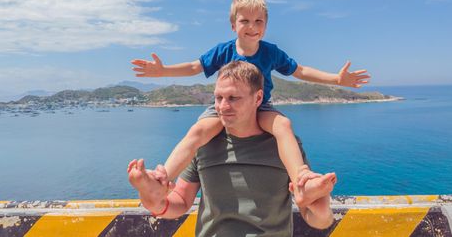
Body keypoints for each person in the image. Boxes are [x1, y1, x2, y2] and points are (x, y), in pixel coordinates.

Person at [131, 0, 370, 189]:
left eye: (259, 21)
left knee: (283, 126)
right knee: (198, 130)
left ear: (265, 26)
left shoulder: (271, 52)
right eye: (245, 21)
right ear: (233, 25)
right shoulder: (223, 50)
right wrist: (163, 71)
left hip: (260, 107)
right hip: (227, 107)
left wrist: (337, 79)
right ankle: (163, 176)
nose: (252, 27)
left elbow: (301, 71)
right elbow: (195, 66)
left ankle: (301, 178)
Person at [128, 61, 337, 236]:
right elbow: (181, 201)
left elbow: (318, 220)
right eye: (218, 98)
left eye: (233, 98)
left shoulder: (285, 145)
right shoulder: (204, 143)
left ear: (258, 98)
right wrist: (157, 203)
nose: (222, 106)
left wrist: (321, 211)